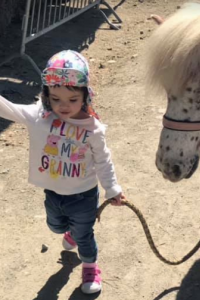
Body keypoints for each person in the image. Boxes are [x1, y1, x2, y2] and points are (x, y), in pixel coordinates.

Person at [0, 50, 125, 294]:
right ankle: (70, 232)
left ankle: (90, 266)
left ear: (85, 95)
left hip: (83, 195)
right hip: (53, 193)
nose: (64, 106)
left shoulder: (92, 129)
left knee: (84, 235)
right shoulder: (39, 116)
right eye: (56, 99)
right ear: (47, 96)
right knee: (56, 228)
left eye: (72, 99)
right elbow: (9, 109)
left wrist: (112, 189)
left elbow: (103, 160)